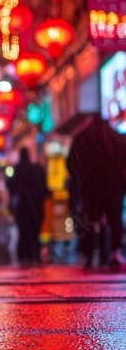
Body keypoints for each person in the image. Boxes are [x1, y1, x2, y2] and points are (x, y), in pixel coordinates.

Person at [67, 113, 126, 269]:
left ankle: (88, 255)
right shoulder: (116, 138)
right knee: (115, 221)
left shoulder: (82, 138)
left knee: (88, 222)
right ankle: (115, 251)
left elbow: (71, 164)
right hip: (113, 188)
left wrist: (81, 179)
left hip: (90, 190)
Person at [6, 148, 49, 265]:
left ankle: (24, 255)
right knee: (35, 231)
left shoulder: (17, 170)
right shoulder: (36, 169)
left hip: (23, 207)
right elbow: (45, 189)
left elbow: (11, 187)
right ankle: (34, 254)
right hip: (35, 206)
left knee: (23, 231)